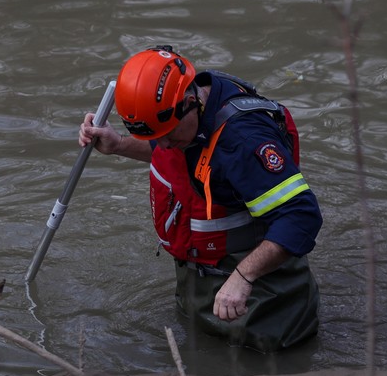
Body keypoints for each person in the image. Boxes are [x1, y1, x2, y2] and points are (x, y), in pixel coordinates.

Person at [79, 45, 322, 352]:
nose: (162, 144)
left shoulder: (244, 140)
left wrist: (243, 278)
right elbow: (177, 152)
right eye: (155, 135)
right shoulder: (186, 114)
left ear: (190, 102)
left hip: (263, 303)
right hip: (205, 283)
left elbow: (302, 216)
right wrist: (119, 146)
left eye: (167, 133)